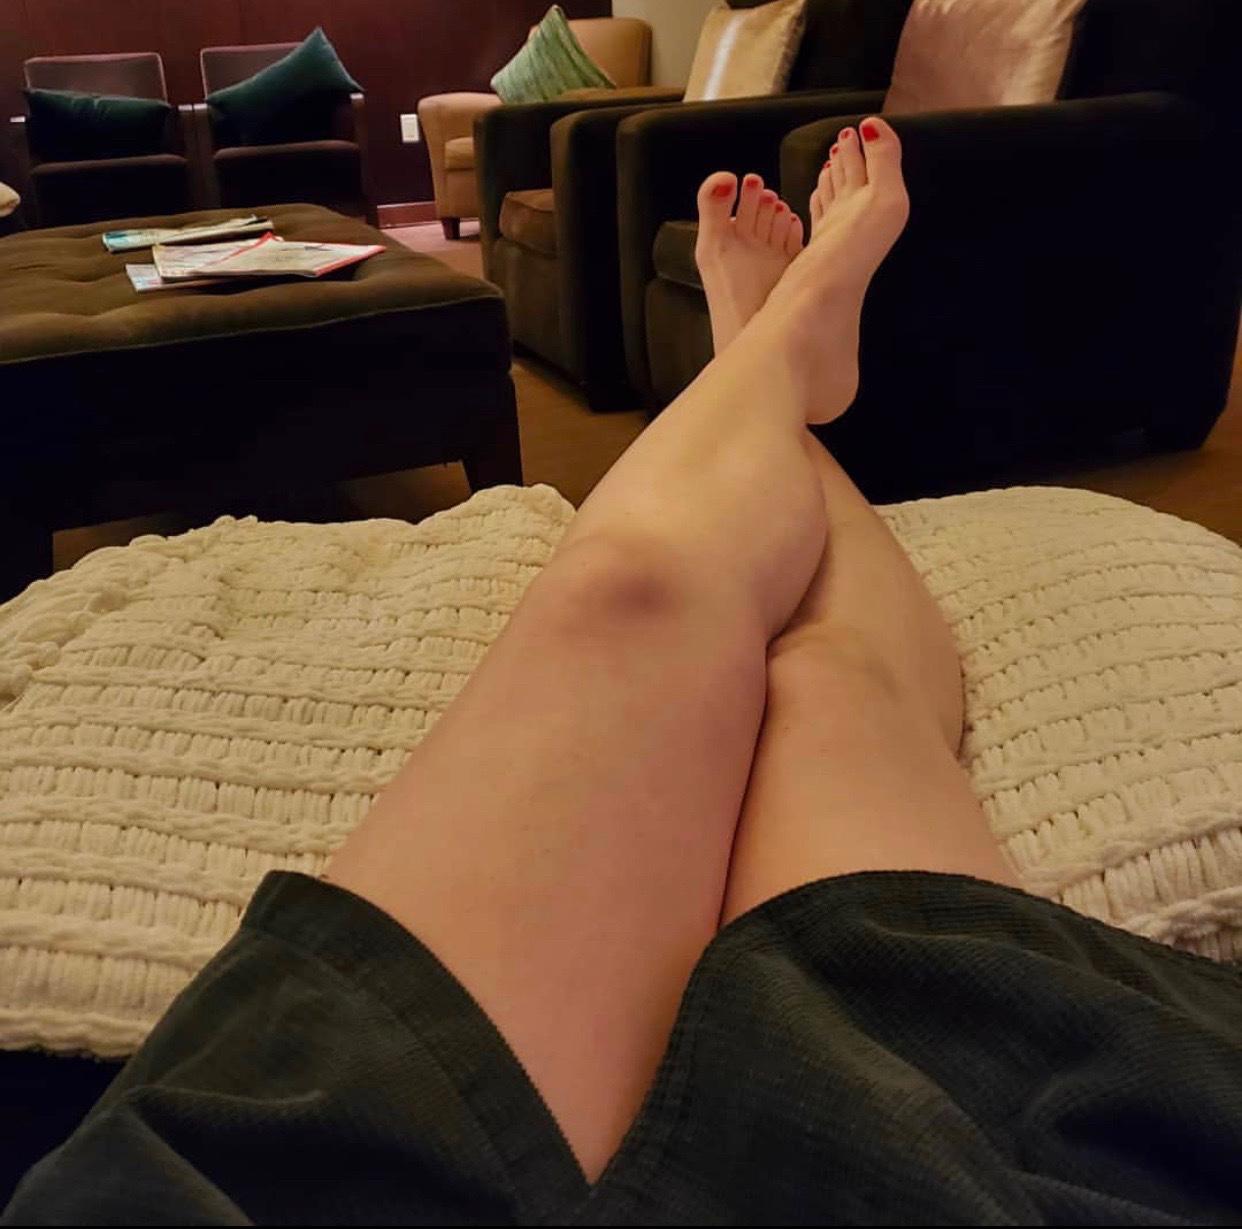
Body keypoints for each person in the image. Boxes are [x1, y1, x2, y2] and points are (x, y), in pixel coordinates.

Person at [5, 118, 1241, 1226]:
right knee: (819, 684)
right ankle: (781, 353)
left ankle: (769, 355)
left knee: (629, 599)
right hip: (988, 1141)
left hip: (290, 1172)